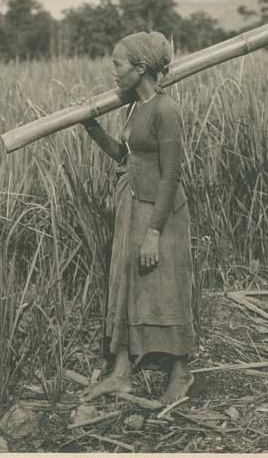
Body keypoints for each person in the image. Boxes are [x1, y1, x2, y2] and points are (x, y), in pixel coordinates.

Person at [79, 31, 195, 404]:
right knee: (129, 284)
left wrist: (153, 233)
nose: (113, 71)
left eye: (118, 64)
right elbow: (126, 156)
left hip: (162, 213)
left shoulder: (166, 110)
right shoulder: (133, 106)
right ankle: (122, 372)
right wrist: (92, 127)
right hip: (133, 205)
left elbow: (171, 175)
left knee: (168, 288)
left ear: (141, 68)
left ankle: (181, 373)